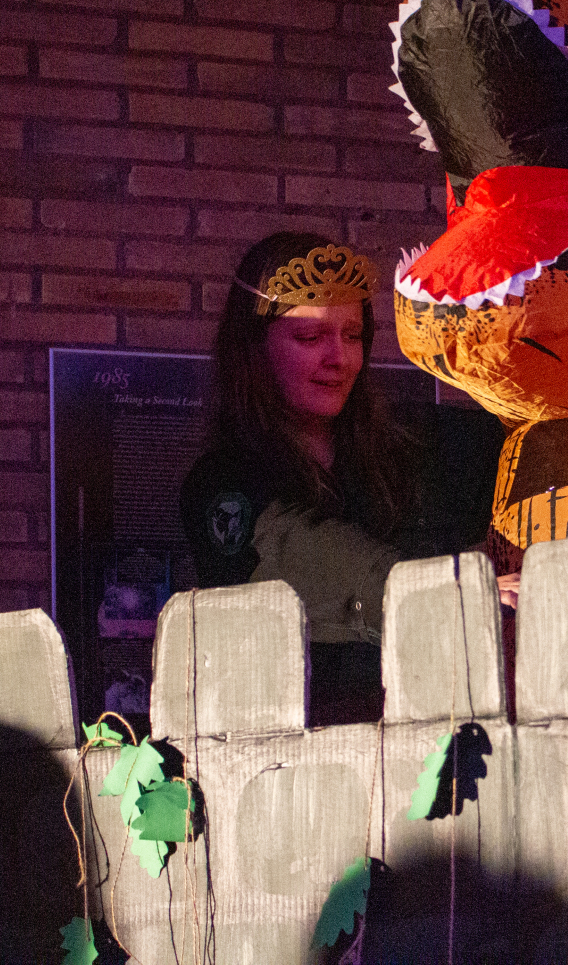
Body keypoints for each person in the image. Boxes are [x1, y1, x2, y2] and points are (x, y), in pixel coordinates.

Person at [179, 232, 504, 725]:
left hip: (443, 732)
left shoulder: (414, 442)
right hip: (299, 748)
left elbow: (515, 446)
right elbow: (322, 565)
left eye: (352, 335)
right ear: (254, 348)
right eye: (310, 338)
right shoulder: (223, 483)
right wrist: (457, 590)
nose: (339, 358)